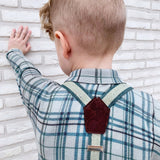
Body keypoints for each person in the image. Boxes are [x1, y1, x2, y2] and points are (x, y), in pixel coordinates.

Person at [5, 0, 160, 159]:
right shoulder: (153, 111)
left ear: (64, 44)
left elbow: (26, 74)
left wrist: (14, 51)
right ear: (118, 41)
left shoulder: (43, 98)